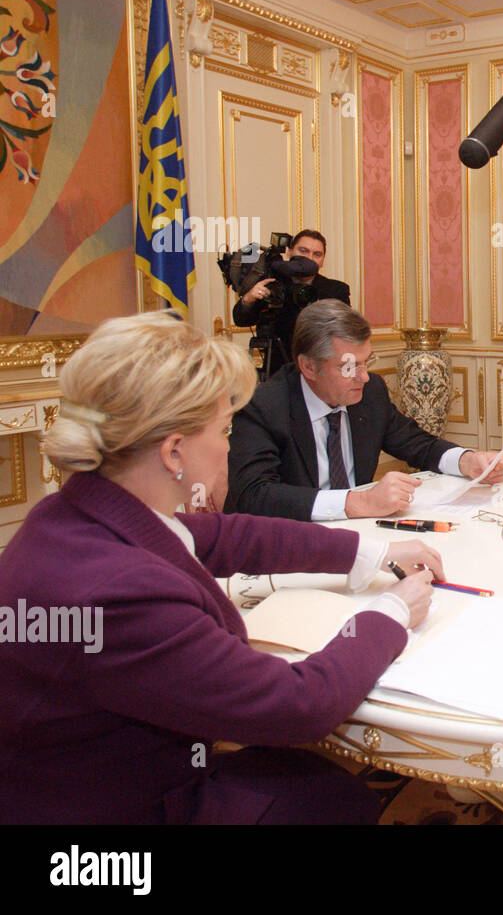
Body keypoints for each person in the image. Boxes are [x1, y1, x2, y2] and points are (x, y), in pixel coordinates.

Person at [0, 311, 444, 823]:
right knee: (328, 799)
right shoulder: (116, 594)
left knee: (323, 786)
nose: (230, 446)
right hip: (114, 814)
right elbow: (297, 707)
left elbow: (231, 536)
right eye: (224, 429)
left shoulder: (82, 509)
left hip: (113, 766)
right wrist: (388, 613)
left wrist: (368, 554)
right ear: (173, 452)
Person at [225, 300, 503, 521]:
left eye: (365, 362)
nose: (364, 376)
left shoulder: (368, 394)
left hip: (359, 533)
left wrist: (466, 460)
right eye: (349, 367)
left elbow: (417, 444)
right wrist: (357, 502)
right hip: (287, 543)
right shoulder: (263, 405)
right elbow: (254, 494)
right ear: (309, 367)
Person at [232, 229, 350, 378]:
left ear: (323, 260)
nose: (309, 258)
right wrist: (249, 298)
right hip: (278, 372)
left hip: (321, 373)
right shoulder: (272, 285)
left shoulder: (336, 290)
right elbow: (241, 320)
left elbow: (345, 333)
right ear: (289, 252)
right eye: (303, 251)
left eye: (317, 254)